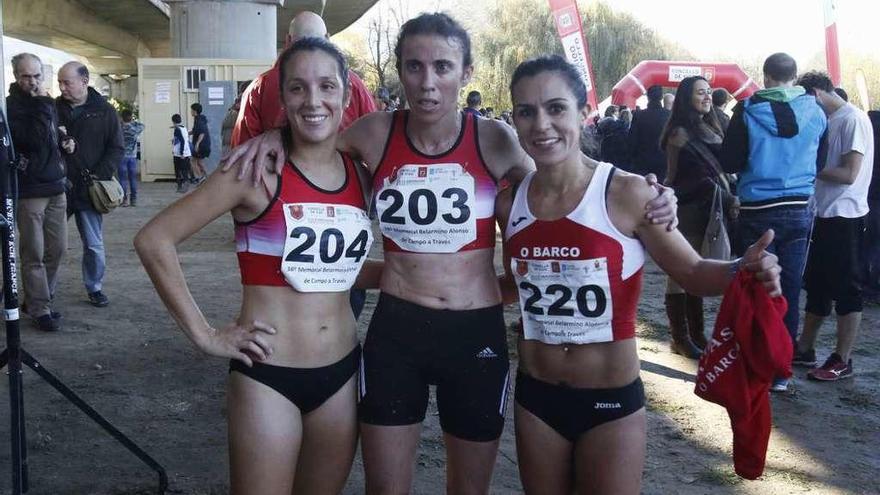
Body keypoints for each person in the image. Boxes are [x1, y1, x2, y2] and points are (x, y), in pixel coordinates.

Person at [222, 13, 678, 494]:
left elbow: (561, 183)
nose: (428, 82)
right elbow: (310, 139)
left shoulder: (494, 140)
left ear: (466, 73)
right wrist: (273, 135)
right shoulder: (375, 132)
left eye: (443, 66)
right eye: (414, 67)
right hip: (396, 333)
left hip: (473, 333)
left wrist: (646, 193)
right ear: (399, 71)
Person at [497, 54, 781, 495]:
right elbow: (517, 286)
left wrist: (743, 270)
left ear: (583, 112)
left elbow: (692, 272)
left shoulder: (629, 191)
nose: (541, 124)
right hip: (536, 398)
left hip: (609, 401)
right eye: (526, 111)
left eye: (556, 108)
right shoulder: (508, 203)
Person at [136, 37, 381, 495]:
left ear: (346, 97)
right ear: (281, 97)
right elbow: (154, 240)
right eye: (298, 88)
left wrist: (390, 275)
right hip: (269, 376)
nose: (313, 100)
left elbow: (332, 268)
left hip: (343, 373)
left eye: (327, 86)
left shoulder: (361, 175)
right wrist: (205, 335)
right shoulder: (252, 172)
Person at [720, 52, 827, 392]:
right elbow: (820, 159)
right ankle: (781, 371)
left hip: (757, 211)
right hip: (799, 209)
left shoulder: (747, 110)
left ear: (765, 78)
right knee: (789, 289)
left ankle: (753, 364)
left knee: (754, 287)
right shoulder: (816, 111)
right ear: (794, 78)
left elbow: (730, 160)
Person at [794, 71, 874, 382]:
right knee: (817, 285)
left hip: (846, 216)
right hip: (824, 214)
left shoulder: (851, 119)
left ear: (815, 93)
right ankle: (805, 347)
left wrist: (808, 168)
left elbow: (849, 173)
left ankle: (843, 357)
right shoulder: (832, 119)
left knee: (846, 289)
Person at [661, 75, 737, 358]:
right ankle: (680, 338)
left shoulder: (711, 124)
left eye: (708, 92)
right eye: (700, 93)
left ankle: (697, 333)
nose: (706, 97)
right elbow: (674, 175)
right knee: (680, 272)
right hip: (688, 208)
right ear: (686, 98)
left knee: (697, 268)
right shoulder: (678, 132)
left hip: (710, 209)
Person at [231, 11, 375, 147]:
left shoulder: (259, 87)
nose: (313, 103)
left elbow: (241, 151)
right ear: (327, 39)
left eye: (326, 87)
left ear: (288, 40)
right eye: (297, 88)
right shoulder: (354, 83)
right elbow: (374, 138)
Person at [7, 53, 69, 331]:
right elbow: (30, 141)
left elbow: (50, 135)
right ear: (16, 76)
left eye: (36, 76)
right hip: (31, 189)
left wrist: (66, 140)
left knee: (58, 250)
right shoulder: (11, 107)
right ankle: (41, 308)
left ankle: (37, 299)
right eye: (25, 76)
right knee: (33, 252)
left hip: (56, 185)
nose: (32, 82)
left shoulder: (47, 104)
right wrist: (43, 102)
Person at [56, 61, 123, 308]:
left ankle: (94, 287)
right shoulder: (53, 109)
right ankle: (44, 292)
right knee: (50, 246)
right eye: (60, 83)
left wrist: (98, 176)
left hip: (88, 189)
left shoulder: (105, 111)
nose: (62, 87)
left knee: (93, 245)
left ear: (84, 82)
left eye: (67, 82)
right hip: (57, 188)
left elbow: (116, 149)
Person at [627, 85, 670, 181]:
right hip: (664, 162)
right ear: (661, 97)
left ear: (648, 97)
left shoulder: (638, 115)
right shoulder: (669, 115)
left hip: (643, 162)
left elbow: (632, 141)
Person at [864, 110, 880, 301]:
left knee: (870, 243)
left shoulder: (869, 135)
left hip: (870, 196)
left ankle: (868, 284)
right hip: (875, 196)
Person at [119, 109, 145, 206]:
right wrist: (131, 122)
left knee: (122, 179)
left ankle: (124, 200)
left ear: (122, 117)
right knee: (133, 179)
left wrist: (123, 122)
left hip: (121, 156)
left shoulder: (119, 128)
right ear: (131, 117)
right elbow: (142, 126)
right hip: (132, 157)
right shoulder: (135, 129)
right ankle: (133, 199)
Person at [171, 114, 194, 193]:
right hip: (186, 152)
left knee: (178, 170)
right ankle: (184, 185)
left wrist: (181, 153)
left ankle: (181, 187)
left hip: (179, 154)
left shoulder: (177, 129)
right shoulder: (183, 128)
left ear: (173, 121)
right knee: (185, 170)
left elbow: (182, 141)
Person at [189, 103, 210, 182]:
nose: (190, 111)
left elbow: (202, 132)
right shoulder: (200, 119)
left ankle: (201, 177)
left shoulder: (199, 120)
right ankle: (207, 177)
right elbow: (195, 131)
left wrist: (197, 144)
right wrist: (185, 133)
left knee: (193, 161)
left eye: (191, 110)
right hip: (205, 144)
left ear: (195, 111)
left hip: (201, 145)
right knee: (200, 162)